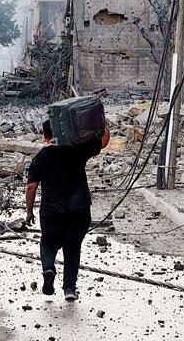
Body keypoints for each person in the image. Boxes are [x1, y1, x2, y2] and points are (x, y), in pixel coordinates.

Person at [24, 117, 110, 302]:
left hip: (51, 210)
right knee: (72, 248)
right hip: (78, 209)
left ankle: (48, 268)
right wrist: (102, 123)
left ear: (44, 136)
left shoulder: (41, 157)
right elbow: (103, 142)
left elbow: (31, 187)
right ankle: (69, 289)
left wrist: (29, 211)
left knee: (48, 243)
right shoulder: (76, 150)